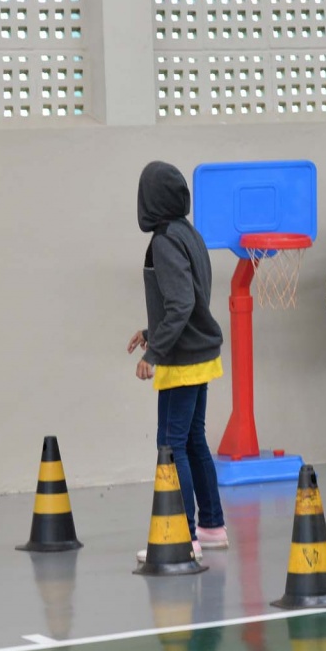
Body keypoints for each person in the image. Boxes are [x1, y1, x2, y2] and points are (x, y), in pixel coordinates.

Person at [128, 161, 227, 561]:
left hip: (182, 360)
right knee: (194, 440)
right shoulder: (188, 233)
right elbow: (189, 302)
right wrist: (152, 333)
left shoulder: (165, 240)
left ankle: (182, 536)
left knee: (171, 445)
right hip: (199, 353)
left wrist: (155, 352)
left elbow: (182, 302)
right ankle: (213, 525)